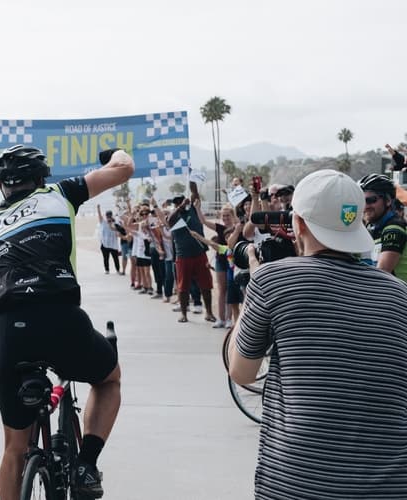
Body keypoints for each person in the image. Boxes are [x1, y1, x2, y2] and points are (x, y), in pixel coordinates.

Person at [227, 168, 407, 498]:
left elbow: (241, 371)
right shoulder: (400, 294)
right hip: (390, 487)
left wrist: (254, 280)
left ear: (298, 224)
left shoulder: (272, 281)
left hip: (298, 483)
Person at [0, 145, 133, 499]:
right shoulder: (60, 194)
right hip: (61, 318)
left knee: (14, 447)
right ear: (41, 177)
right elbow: (123, 169)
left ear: (2, 186)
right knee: (109, 380)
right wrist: (116, 152)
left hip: (10, 331)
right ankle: (86, 465)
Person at [167, 182, 215, 324]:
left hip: (200, 253)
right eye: (176, 203)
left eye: (180, 201)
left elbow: (195, 194)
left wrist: (192, 183)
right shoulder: (173, 216)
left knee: (206, 285)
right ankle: (184, 314)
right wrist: (180, 207)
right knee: (183, 287)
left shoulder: (193, 211)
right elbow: (169, 221)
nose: (179, 204)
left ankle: (209, 312)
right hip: (183, 256)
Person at [358, 174, 407, 281]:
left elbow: (381, 274)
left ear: (388, 200)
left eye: (371, 200)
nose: (365, 206)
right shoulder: (372, 226)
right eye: (362, 200)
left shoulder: (394, 228)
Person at [96, 206, 121, 274]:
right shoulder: (103, 222)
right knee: (106, 258)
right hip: (105, 244)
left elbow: (118, 229)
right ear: (106, 216)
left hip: (113, 244)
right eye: (107, 215)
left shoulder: (115, 222)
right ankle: (107, 270)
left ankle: (118, 270)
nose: (108, 217)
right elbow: (100, 216)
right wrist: (98, 209)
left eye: (109, 215)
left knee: (115, 258)